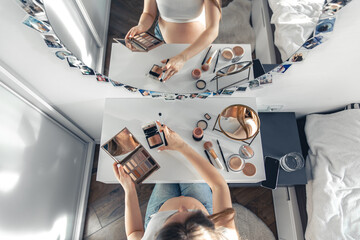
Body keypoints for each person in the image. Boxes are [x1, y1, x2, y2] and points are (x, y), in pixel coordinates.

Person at [112, 123, 239, 240]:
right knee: (182, 166)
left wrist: (129, 189)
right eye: (193, 215)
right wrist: (181, 146)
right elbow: (219, 186)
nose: (182, 208)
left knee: (167, 166)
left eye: (169, 219)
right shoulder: (225, 236)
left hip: (160, 207)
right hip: (202, 203)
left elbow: (134, 233)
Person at [125, 0, 221, 82]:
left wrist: (182, 58)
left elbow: (212, 29)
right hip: (162, 40)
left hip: (195, 48)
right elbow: (148, 13)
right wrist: (141, 26)